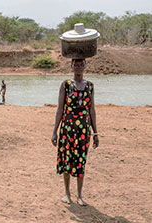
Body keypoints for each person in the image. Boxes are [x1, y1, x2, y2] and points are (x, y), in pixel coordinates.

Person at [51, 58, 99, 206]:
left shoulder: (89, 86)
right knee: (66, 159)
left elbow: (91, 110)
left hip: (83, 130)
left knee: (80, 160)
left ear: (85, 66)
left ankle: (79, 195)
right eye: (76, 65)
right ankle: (67, 193)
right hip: (67, 128)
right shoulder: (66, 85)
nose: (78, 67)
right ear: (71, 66)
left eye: (81, 65)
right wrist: (55, 131)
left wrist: (95, 133)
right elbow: (60, 108)